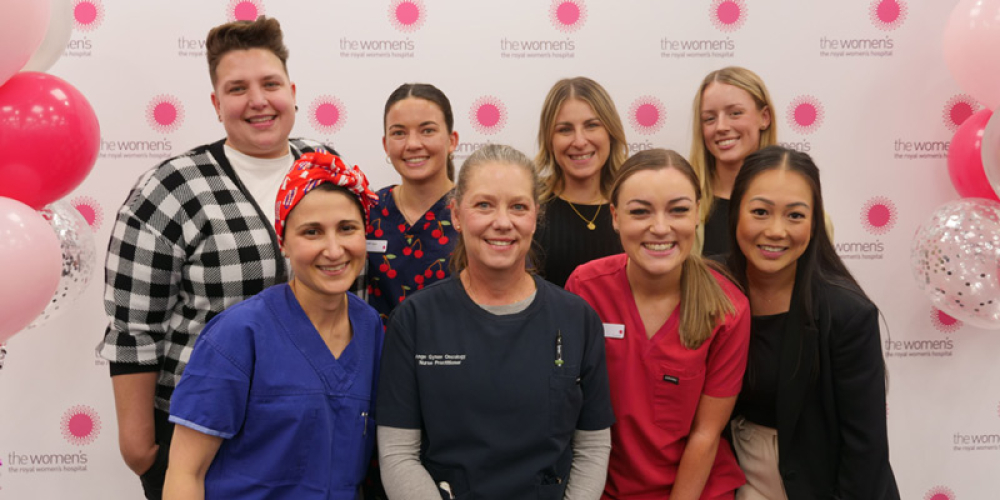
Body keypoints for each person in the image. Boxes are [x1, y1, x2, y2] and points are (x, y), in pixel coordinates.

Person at [97, 17, 335, 499]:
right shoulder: (171, 189)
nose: (258, 101)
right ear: (216, 103)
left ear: (292, 90)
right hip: (203, 435)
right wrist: (142, 448)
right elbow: (133, 329)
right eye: (237, 88)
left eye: (270, 84)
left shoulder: (323, 168)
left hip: (309, 424)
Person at [377, 144, 615, 500]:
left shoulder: (577, 319)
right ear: (456, 215)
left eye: (518, 207)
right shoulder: (415, 319)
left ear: (536, 216)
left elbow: (593, 448)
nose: (502, 222)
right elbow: (398, 454)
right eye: (484, 205)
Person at [163, 152, 383, 499]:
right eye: (312, 232)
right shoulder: (239, 334)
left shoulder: (370, 327)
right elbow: (185, 473)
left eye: (347, 229)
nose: (333, 249)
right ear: (283, 243)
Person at [566, 149, 751, 499]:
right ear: (615, 217)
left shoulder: (727, 309)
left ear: (698, 213)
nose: (661, 227)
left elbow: (705, 434)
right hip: (601, 487)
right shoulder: (586, 288)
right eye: (640, 212)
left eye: (678, 210)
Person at [724, 146, 900, 499]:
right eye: (760, 211)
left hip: (817, 482)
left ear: (814, 221)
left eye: (795, 216)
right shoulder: (710, 286)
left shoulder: (846, 312)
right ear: (735, 213)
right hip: (729, 473)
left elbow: (865, 451)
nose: (776, 231)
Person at [367, 83, 459, 323]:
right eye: (399, 133)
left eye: (427, 130)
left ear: (452, 141)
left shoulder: (477, 212)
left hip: (459, 355)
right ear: (386, 144)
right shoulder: (368, 211)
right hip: (381, 356)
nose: (413, 144)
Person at [533, 77, 629, 287]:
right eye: (565, 129)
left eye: (592, 125)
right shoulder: (530, 206)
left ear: (610, 132)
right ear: (550, 140)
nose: (579, 141)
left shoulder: (635, 204)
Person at [690, 67, 776, 257]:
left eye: (735, 113)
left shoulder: (796, 202)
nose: (721, 127)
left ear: (764, 118)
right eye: (709, 118)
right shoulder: (685, 203)